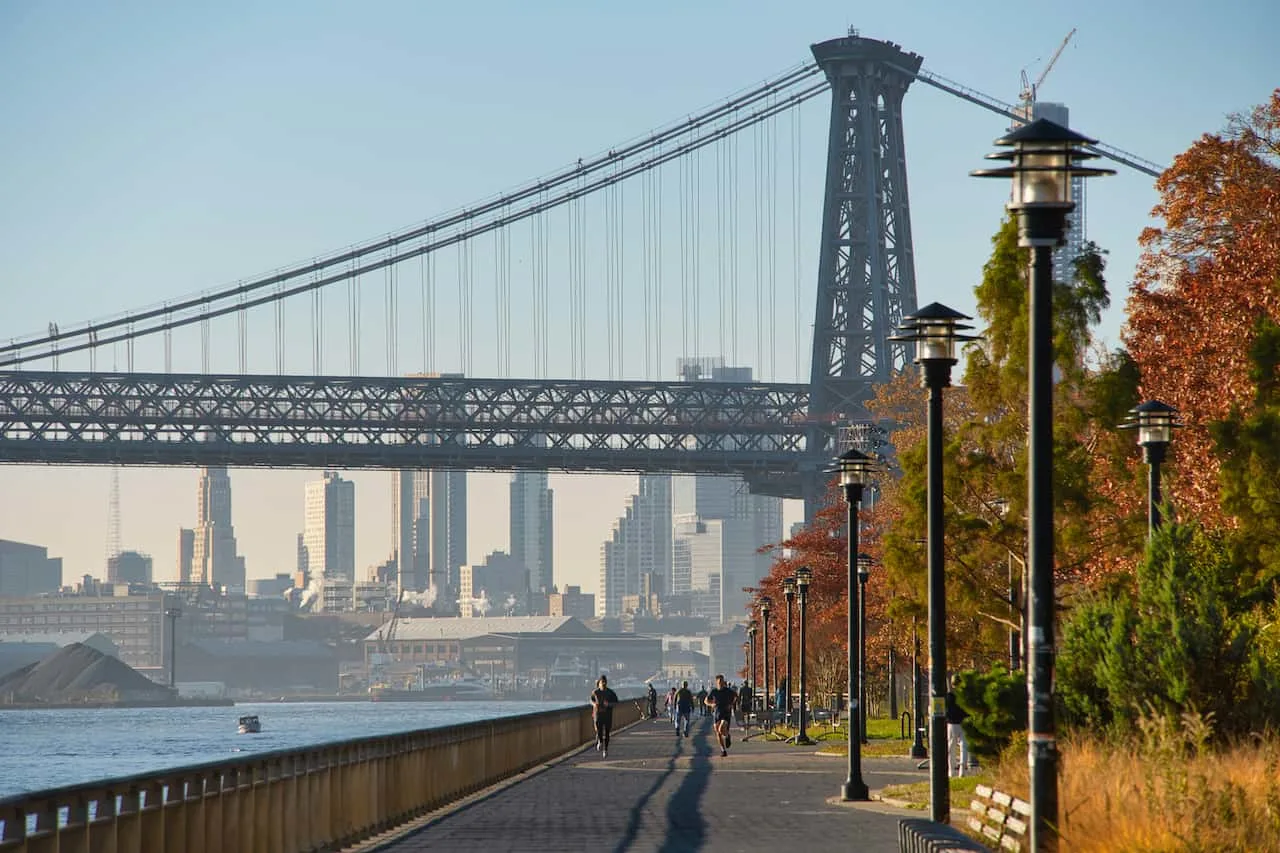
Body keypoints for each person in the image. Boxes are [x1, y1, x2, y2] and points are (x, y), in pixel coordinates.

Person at [705, 674, 737, 757]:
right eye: (719, 682)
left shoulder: (728, 691)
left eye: (722, 681)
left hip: (726, 712)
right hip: (716, 713)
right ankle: (723, 750)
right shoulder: (714, 691)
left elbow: (736, 696)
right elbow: (706, 701)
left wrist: (731, 704)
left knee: (720, 728)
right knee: (718, 733)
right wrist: (711, 704)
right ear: (716, 682)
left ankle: (727, 736)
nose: (721, 683)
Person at [945, 677, 970, 778]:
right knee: (964, 747)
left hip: (952, 724)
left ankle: (951, 770)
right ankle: (962, 770)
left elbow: (946, 710)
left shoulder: (949, 697)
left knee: (951, 747)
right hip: (963, 723)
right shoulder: (964, 696)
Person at [591, 674, 620, 758]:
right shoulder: (595, 692)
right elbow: (591, 700)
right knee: (599, 730)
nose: (603, 684)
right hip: (598, 715)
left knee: (607, 733)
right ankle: (600, 741)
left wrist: (609, 704)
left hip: (607, 715)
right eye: (601, 682)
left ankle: (605, 750)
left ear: (606, 683)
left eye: (604, 682)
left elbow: (616, 702)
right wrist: (594, 704)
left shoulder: (610, 693)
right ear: (598, 683)